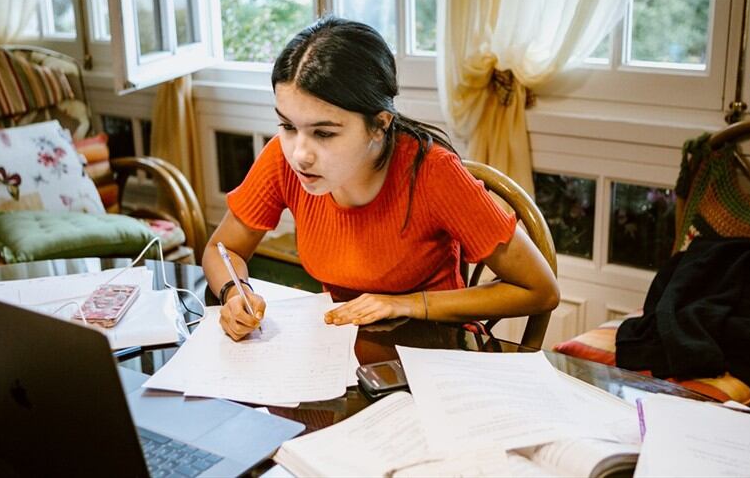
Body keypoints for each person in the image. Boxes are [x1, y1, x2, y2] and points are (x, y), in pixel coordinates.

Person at [202, 17, 559, 341]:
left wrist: (405, 304)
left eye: (324, 134)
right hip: (341, 345)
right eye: (288, 126)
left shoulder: (433, 173)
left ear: (379, 125)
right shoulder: (283, 159)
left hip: (435, 347)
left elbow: (540, 290)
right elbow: (224, 249)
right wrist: (235, 292)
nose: (299, 154)